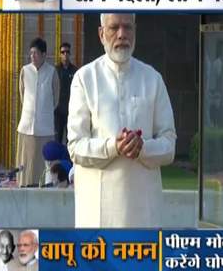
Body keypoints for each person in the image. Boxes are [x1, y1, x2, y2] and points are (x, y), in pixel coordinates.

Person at [67, 14, 176, 227]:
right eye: (114, 28)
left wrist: (142, 147)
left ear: (135, 31)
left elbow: (169, 144)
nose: (121, 35)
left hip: (144, 216)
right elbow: (75, 147)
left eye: (127, 27)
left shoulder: (152, 79)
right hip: (97, 218)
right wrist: (113, 147)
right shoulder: (85, 78)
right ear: (101, 34)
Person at [16, 38, 60, 187]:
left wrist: (43, 111)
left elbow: (56, 98)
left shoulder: (52, 72)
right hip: (27, 124)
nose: (32, 56)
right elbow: (22, 94)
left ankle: (43, 185)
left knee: (44, 163)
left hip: (45, 127)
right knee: (26, 161)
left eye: (35, 53)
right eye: (31, 53)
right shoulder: (25, 70)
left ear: (44, 54)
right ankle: (25, 184)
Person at [54, 42, 78, 144]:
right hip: (58, 110)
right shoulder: (55, 70)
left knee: (70, 138)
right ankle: (57, 160)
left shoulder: (75, 70)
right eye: (63, 52)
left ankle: (69, 160)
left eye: (67, 52)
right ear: (60, 54)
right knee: (57, 138)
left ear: (70, 54)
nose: (65, 54)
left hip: (70, 110)